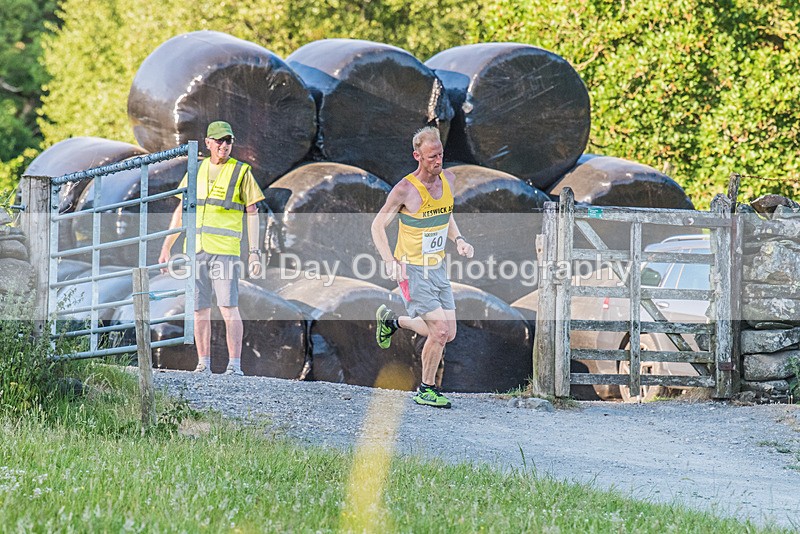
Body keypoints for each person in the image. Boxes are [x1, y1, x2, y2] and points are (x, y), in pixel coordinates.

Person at [371, 126, 474, 408]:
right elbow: (377, 225)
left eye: (440, 155)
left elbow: (446, 216)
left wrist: (459, 240)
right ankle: (426, 389)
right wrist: (389, 261)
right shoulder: (405, 189)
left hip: (437, 267)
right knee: (439, 331)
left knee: (448, 333)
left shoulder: (449, 179)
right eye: (431, 157)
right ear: (417, 156)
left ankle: (393, 321)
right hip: (411, 269)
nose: (437, 161)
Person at [159, 120, 265, 376]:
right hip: (195, 249)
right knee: (199, 310)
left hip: (225, 251)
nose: (224, 145)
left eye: (228, 141)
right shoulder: (195, 172)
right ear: (208, 143)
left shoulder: (241, 172)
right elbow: (181, 210)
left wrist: (254, 252)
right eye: (219, 141)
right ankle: (203, 363)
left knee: (229, 308)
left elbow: (253, 212)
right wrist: (167, 247)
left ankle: (234, 366)